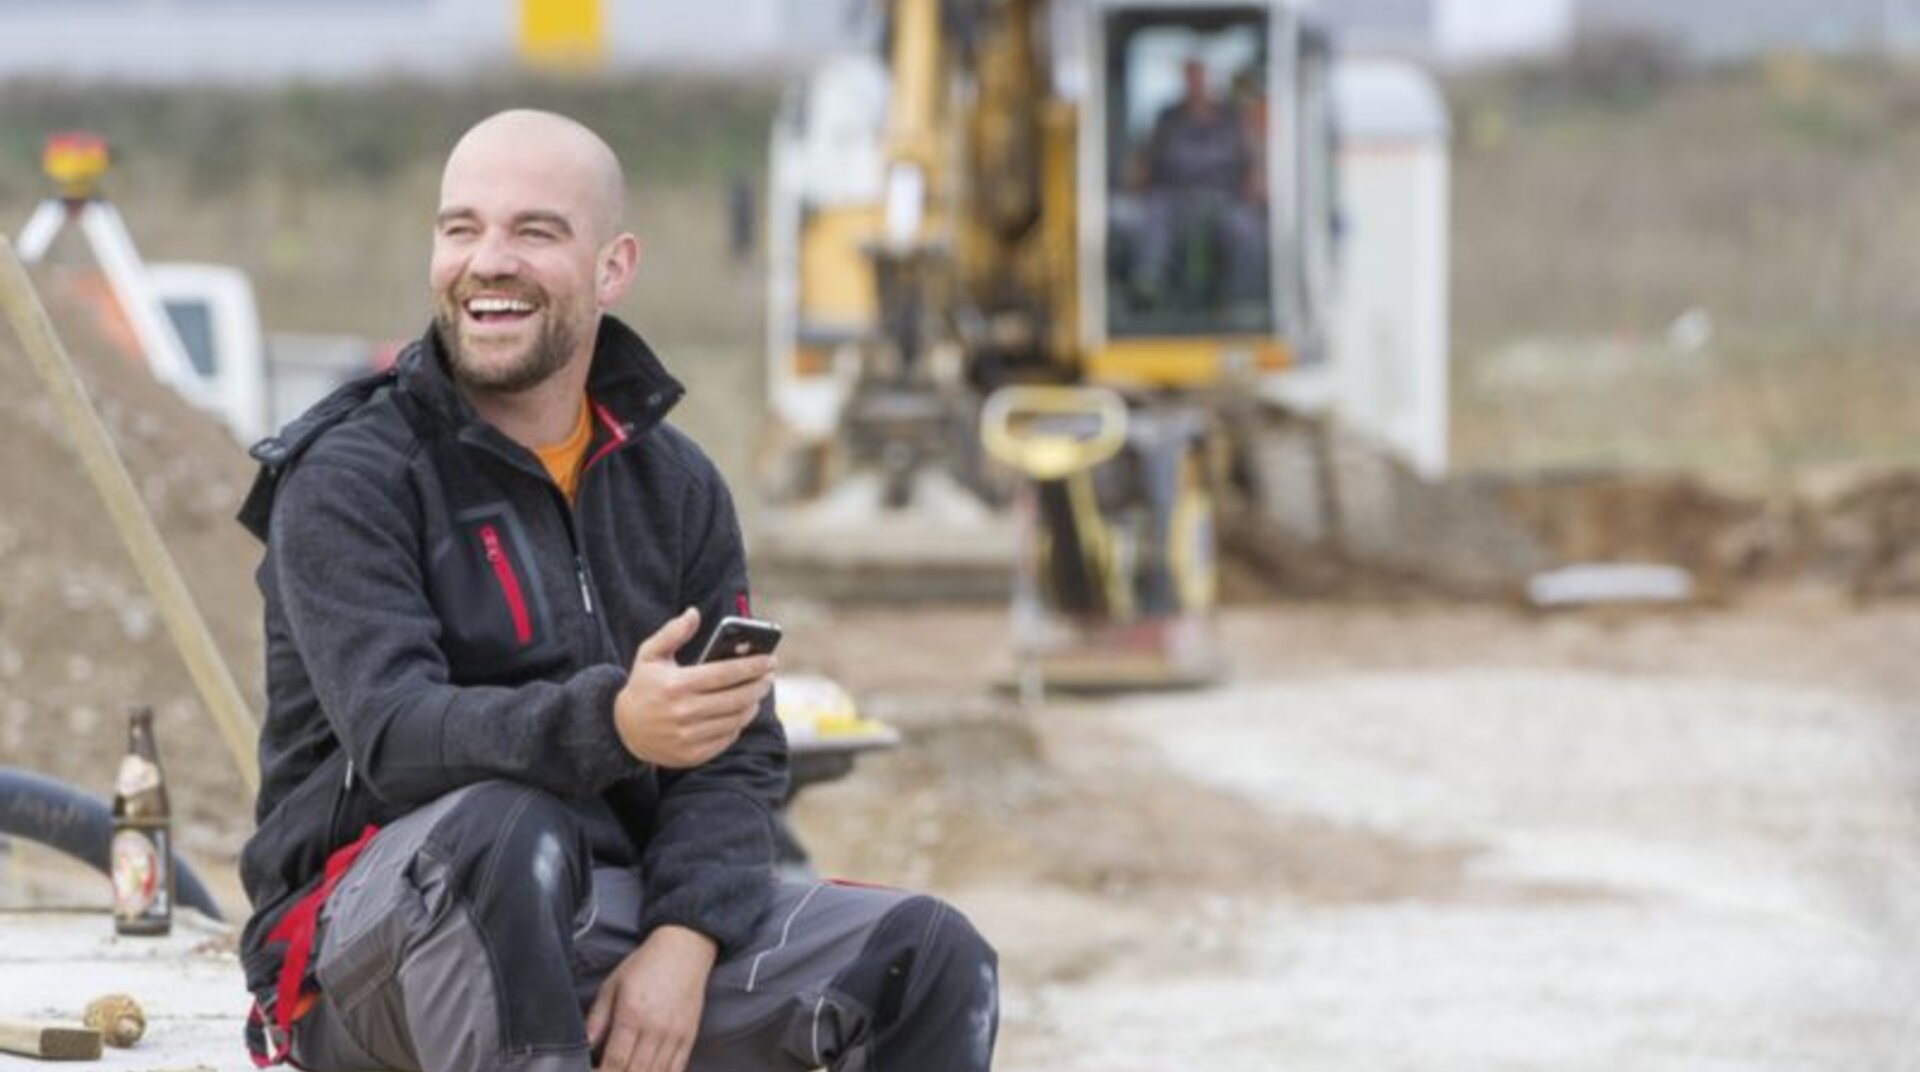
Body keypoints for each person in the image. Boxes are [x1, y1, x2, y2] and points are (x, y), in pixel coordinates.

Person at [235, 109, 998, 1072]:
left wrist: (685, 940)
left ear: (613, 266)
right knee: (505, 831)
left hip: (610, 915)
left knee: (927, 956)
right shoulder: (351, 475)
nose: (488, 262)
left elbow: (737, 753)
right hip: (368, 941)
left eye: (535, 231)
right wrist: (619, 726)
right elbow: (396, 737)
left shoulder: (674, 486)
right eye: (460, 228)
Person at [1125, 57, 1267, 308]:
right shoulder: (1167, 119)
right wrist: (1136, 180)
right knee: (1152, 216)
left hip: (1224, 199)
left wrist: (1255, 185)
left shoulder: (1232, 119)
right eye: (1190, 78)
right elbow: (1144, 162)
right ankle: (1147, 286)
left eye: (1200, 77)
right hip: (1174, 198)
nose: (1195, 84)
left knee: (1245, 228)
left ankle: (1243, 299)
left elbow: (1253, 165)